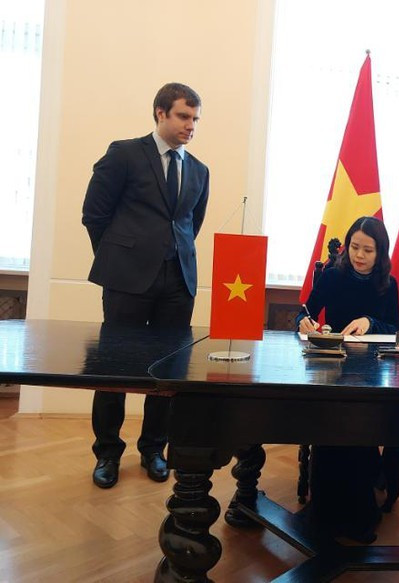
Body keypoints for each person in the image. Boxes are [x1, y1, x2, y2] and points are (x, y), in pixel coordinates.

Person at [82, 83, 210, 489]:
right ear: (160, 113)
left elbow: (191, 224)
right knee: (114, 371)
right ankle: (106, 453)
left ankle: (154, 449)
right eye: (183, 117)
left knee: (167, 375)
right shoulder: (124, 153)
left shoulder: (200, 171)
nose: (191, 126)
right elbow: (94, 214)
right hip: (126, 281)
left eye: (195, 119)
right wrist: (120, 258)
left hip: (178, 282)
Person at [296, 216, 399, 542]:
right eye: (355, 247)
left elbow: (396, 329)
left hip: (371, 370)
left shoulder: (388, 283)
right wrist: (305, 322)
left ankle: (358, 512)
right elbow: (305, 311)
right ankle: (325, 511)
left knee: (359, 424)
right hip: (332, 367)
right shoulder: (331, 276)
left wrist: (370, 322)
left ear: (379, 253)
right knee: (331, 423)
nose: (359, 255)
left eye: (368, 250)